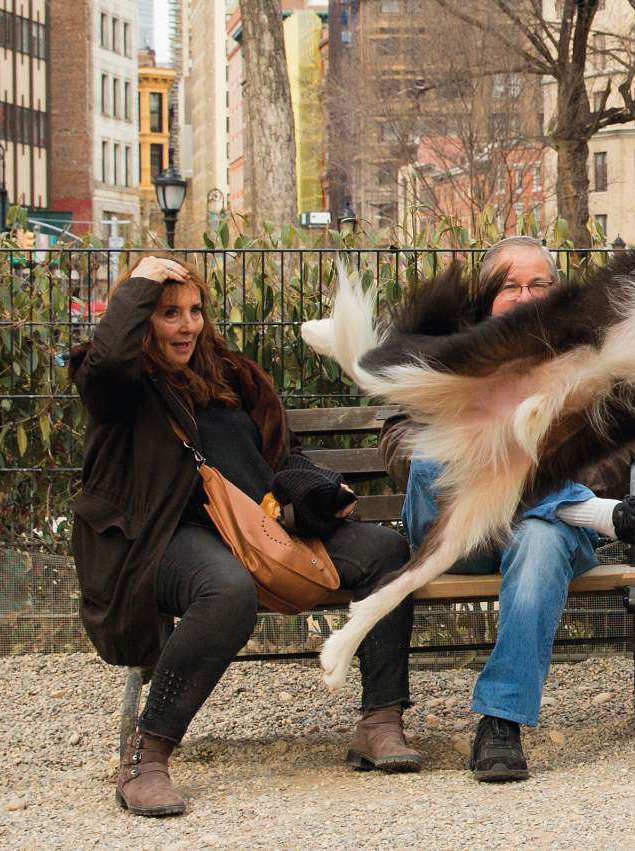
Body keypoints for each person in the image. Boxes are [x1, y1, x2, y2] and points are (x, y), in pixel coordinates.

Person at [70, 253, 418, 818]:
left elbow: (284, 460)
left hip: (262, 530)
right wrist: (139, 283)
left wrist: (312, 497)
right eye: (167, 313)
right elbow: (109, 364)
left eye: (194, 311)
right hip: (167, 537)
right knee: (226, 589)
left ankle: (380, 722)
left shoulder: (233, 377)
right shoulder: (120, 383)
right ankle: (146, 756)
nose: (186, 325)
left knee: (389, 553)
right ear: (139, 319)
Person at [381, 236, 635, 782]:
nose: (525, 297)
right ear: (488, 297)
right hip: (455, 531)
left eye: (538, 285)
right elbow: (401, 447)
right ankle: (605, 517)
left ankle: (500, 723)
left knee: (541, 538)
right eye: (510, 286)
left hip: (541, 535)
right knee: (438, 452)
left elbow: (614, 454)